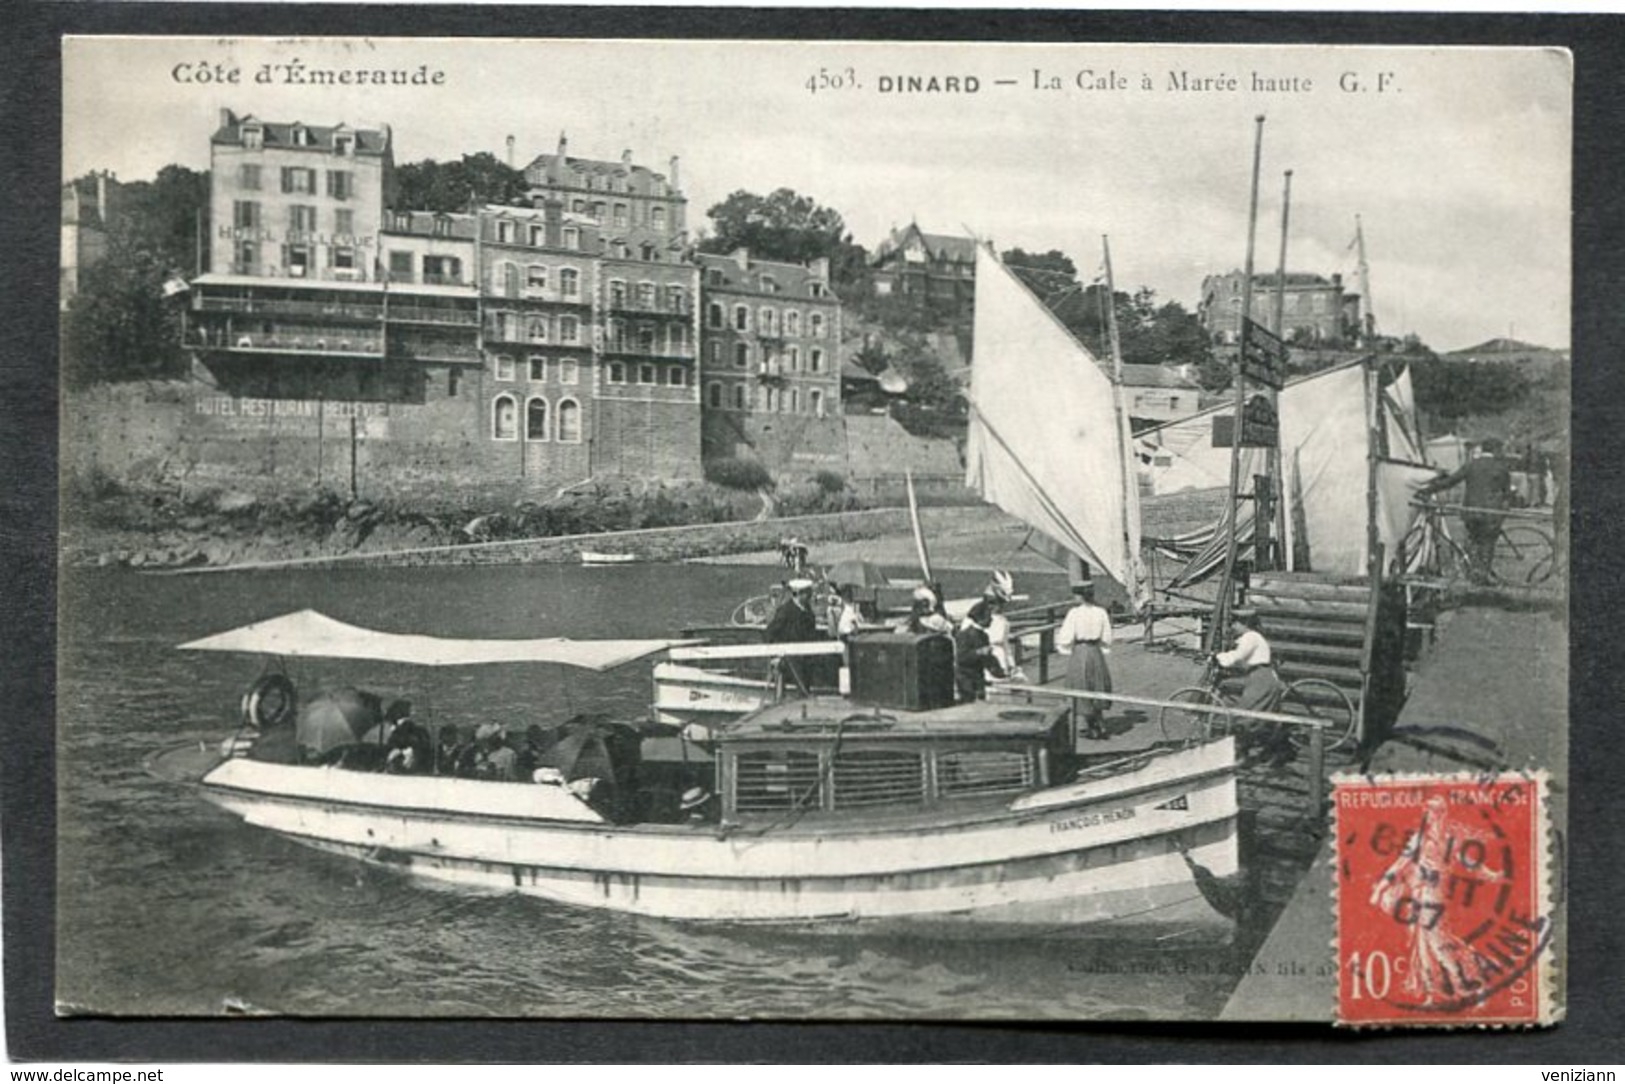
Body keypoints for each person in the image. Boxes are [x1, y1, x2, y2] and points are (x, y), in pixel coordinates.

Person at [1419, 437, 1513, 584]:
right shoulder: (1501, 467)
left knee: (1473, 540)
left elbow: (1451, 481)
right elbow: (1507, 491)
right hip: (1492, 512)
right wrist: (1505, 506)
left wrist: (1428, 490)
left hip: (1471, 510)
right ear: (1496, 450)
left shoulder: (1471, 465)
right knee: (1487, 543)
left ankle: (1473, 572)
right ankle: (1482, 574)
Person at [1212, 608, 1290, 764]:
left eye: (1235, 622)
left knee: (1246, 716)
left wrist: (1218, 657)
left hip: (1261, 678)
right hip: (1259, 677)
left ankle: (1242, 754)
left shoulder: (1251, 637)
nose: (1232, 626)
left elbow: (1237, 656)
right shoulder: (1250, 637)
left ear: (1244, 623)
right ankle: (1275, 751)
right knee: (1259, 716)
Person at [1056, 579, 1113, 740]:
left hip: (1081, 651)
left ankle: (1093, 726)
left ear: (1080, 596)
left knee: (1082, 686)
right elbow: (1107, 636)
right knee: (1096, 686)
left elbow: (1066, 637)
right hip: (1095, 651)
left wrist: (1064, 647)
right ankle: (1098, 723)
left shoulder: (1074, 613)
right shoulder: (1101, 612)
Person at [954, 600, 1008, 702]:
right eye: (989, 617)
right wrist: (979, 652)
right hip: (966, 679)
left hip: (978, 678)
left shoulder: (984, 636)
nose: (991, 620)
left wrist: (1000, 672)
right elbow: (961, 658)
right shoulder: (964, 635)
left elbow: (988, 659)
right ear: (980, 618)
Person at [764, 578, 820, 644]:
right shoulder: (785, 611)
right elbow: (770, 633)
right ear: (799, 593)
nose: (811, 595)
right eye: (808, 593)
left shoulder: (808, 610)